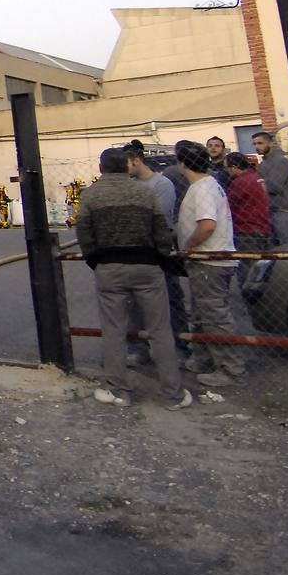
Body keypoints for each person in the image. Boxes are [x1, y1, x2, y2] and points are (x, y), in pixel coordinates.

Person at [75, 148, 192, 410]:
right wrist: (160, 259)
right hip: (147, 267)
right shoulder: (145, 192)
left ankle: (118, 391)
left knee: (114, 330)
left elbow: (84, 232)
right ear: (127, 167)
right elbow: (162, 231)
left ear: (101, 167)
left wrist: (94, 259)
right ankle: (173, 393)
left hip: (109, 267)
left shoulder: (91, 194)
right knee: (160, 331)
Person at [176, 142, 247, 389]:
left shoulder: (202, 189)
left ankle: (230, 368)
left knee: (215, 315)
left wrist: (189, 246)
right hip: (210, 259)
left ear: (182, 163)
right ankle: (205, 358)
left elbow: (207, 225)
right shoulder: (208, 184)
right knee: (202, 313)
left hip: (210, 260)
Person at [124, 141, 187, 364]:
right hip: (136, 253)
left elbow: (159, 219)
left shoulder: (162, 184)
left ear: (136, 160)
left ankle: (178, 346)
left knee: (170, 300)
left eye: (126, 164)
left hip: (159, 251)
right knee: (134, 303)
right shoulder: (129, 186)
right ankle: (139, 348)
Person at [224, 152, 272, 287]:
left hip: (246, 230)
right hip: (263, 227)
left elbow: (229, 205)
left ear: (234, 167)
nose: (226, 171)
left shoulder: (239, 182)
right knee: (262, 268)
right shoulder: (256, 177)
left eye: (227, 168)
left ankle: (250, 299)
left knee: (248, 272)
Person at [253, 131, 288, 246]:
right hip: (269, 212)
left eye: (260, 143)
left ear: (272, 143)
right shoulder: (263, 164)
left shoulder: (280, 161)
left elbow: (274, 186)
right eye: (255, 144)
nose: (257, 147)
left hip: (283, 212)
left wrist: (260, 184)